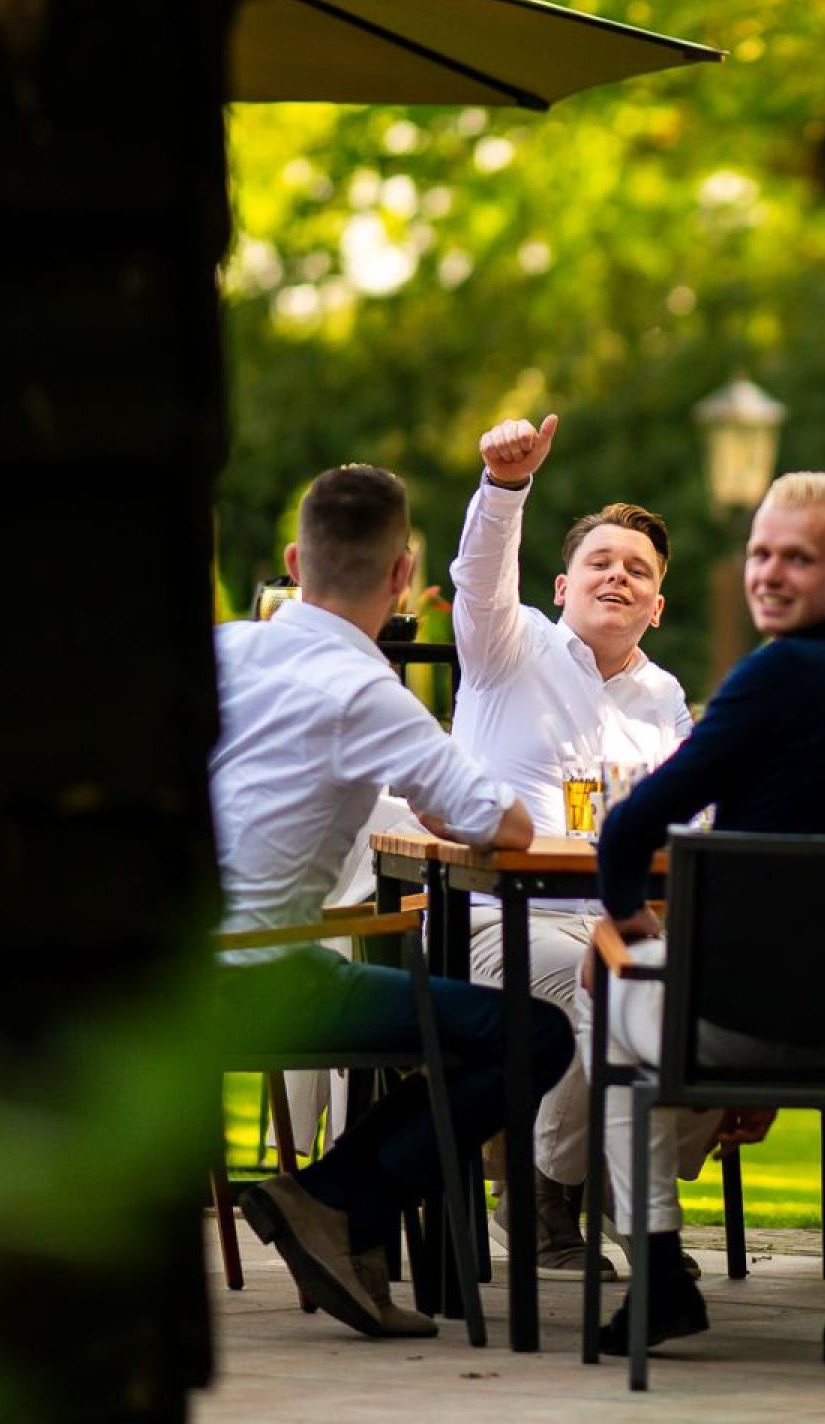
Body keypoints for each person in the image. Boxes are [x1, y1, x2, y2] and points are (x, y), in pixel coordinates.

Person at [211, 464, 574, 1339]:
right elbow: (508, 827)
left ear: (295, 560)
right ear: (403, 574)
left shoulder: (222, 649)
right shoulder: (367, 690)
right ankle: (334, 1202)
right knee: (534, 1035)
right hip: (260, 981)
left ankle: (342, 1217)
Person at [584, 471, 825, 1364]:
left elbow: (627, 830)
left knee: (610, 1009)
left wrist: (623, 927)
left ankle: (659, 1272)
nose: (769, 575)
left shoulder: (772, 675)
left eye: (797, 558)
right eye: (760, 553)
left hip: (733, 1029)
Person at [444, 413, 707, 1279]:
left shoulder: (665, 697)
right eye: (601, 562)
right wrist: (505, 488)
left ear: (658, 606)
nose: (618, 577)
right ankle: (562, 1196)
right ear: (561, 586)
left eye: (638, 571)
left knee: (716, 987)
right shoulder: (505, 647)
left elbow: (684, 827)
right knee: (614, 983)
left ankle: (578, 1180)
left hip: (621, 914)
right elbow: (479, 577)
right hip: (495, 918)